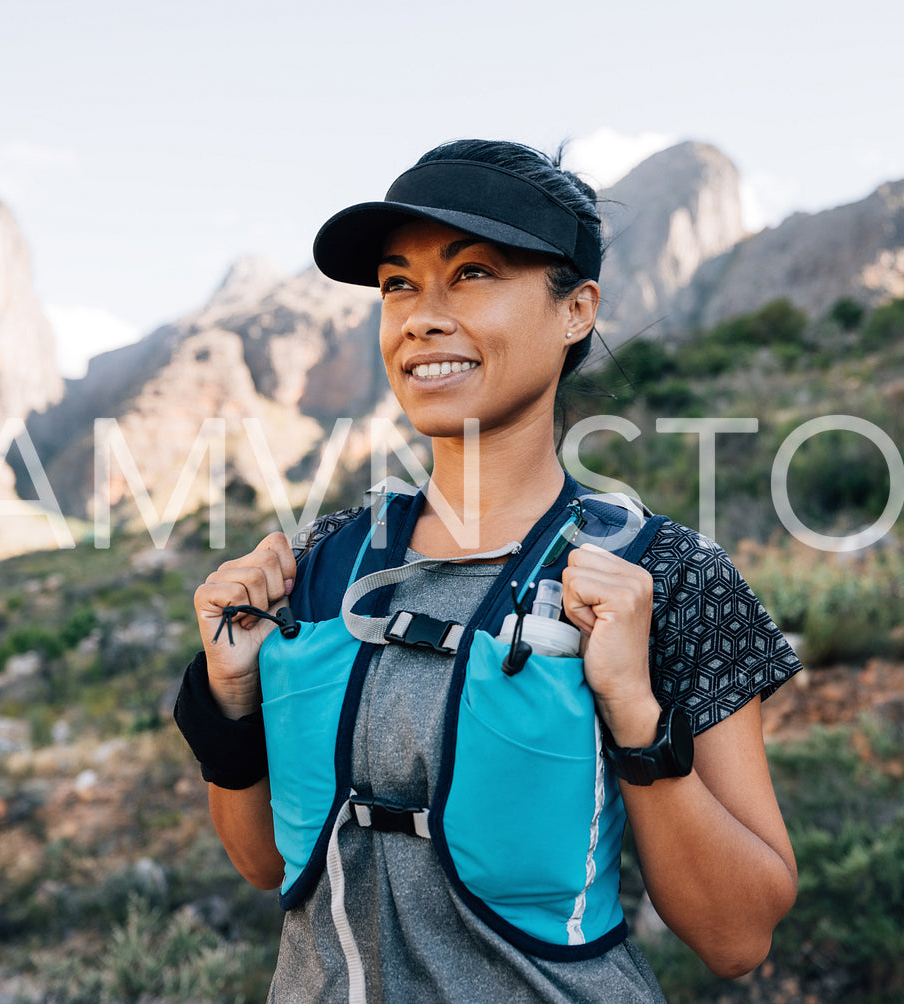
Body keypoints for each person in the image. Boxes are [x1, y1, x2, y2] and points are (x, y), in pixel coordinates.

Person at [175, 139, 802, 1003]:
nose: (421, 317)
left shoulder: (663, 576)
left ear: (576, 309)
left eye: (471, 274)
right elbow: (261, 862)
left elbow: (737, 938)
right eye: (399, 283)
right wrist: (228, 699)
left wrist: (633, 709)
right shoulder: (322, 564)